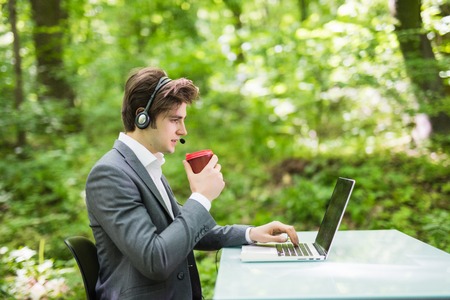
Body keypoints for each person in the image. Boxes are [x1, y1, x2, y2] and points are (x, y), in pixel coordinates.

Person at [85, 66, 299, 300]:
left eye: (183, 120)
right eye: (175, 120)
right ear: (142, 117)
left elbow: (186, 232)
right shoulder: (110, 174)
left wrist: (251, 234)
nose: (183, 130)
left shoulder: (146, 166)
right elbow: (155, 260)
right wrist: (201, 198)